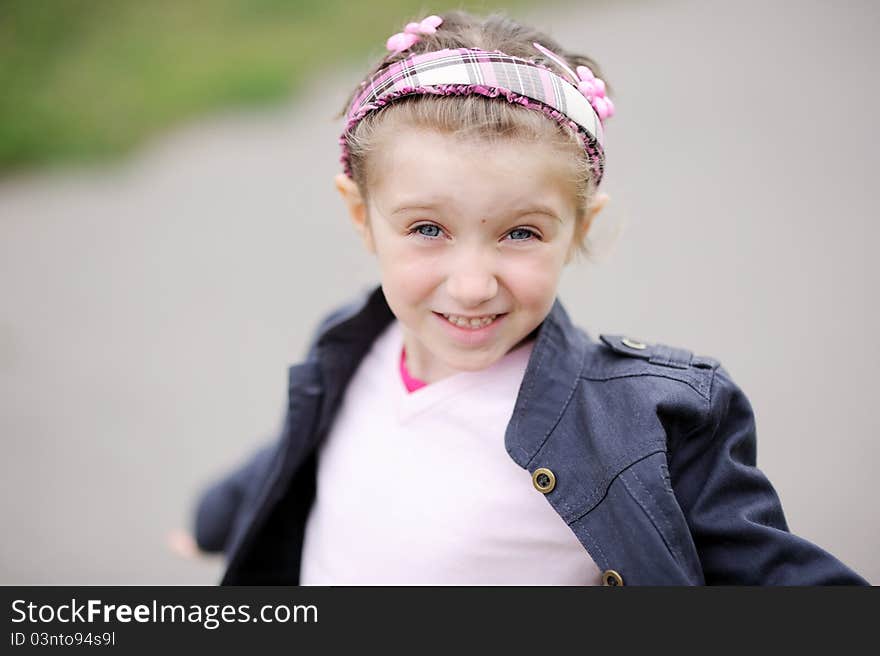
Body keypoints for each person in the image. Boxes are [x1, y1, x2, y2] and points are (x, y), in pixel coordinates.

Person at [183, 10, 869, 585]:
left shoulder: (638, 423)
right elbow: (297, 449)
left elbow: (780, 579)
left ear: (579, 229)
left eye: (519, 232)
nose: (474, 284)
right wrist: (212, 517)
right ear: (362, 216)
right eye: (428, 229)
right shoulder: (351, 346)